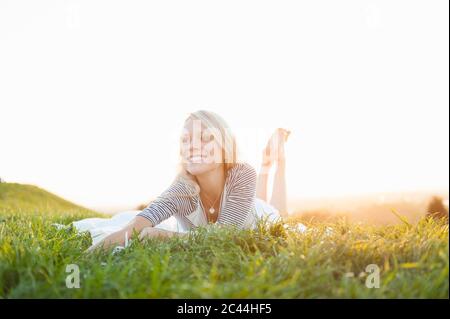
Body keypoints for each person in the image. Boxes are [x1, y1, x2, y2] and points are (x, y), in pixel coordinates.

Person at [84, 110, 290, 251]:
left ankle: (275, 162)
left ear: (224, 145)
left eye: (205, 137)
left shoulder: (241, 172)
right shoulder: (182, 189)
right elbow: (131, 229)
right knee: (257, 200)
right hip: (247, 204)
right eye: (185, 140)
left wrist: (167, 236)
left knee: (275, 212)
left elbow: (226, 235)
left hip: (258, 214)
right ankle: (268, 160)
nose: (191, 146)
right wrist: (83, 260)